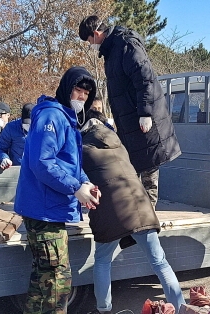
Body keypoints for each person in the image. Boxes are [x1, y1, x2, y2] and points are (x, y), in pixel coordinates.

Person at [14, 66, 100, 314]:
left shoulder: (64, 117)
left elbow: (68, 163)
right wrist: (75, 188)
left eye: (86, 93)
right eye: (78, 90)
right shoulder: (52, 116)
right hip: (44, 210)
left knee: (43, 274)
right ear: (66, 88)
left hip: (47, 208)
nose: (81, 96)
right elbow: (42, 163)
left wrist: (84, 183)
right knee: (57, 281)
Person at [80, 109, 185, 314]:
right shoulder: (118, 143)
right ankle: (181, 310)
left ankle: (104, 312)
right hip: (140, 205)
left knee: (102, 260)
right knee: (160, 262)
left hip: (110, 212)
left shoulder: (82, 147)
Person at [79, 15, 181, 208]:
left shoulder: (126, 44)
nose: (90, 45)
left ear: (96, 33)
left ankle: (149, 217)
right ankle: (138, 214)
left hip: (143, 122)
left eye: (89, 40)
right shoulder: (112, 50)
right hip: (129, 123)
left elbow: (145, 79)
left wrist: (145, 113)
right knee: (134, 172)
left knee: (148, 170)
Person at [0, 102, 34, 169]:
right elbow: (0, 149)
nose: (27, 126)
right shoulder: (10, 128)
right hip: (17, 169)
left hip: (37, 170)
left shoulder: (43, 128)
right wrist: (4, 158)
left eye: (30, 124)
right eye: (25, 123)